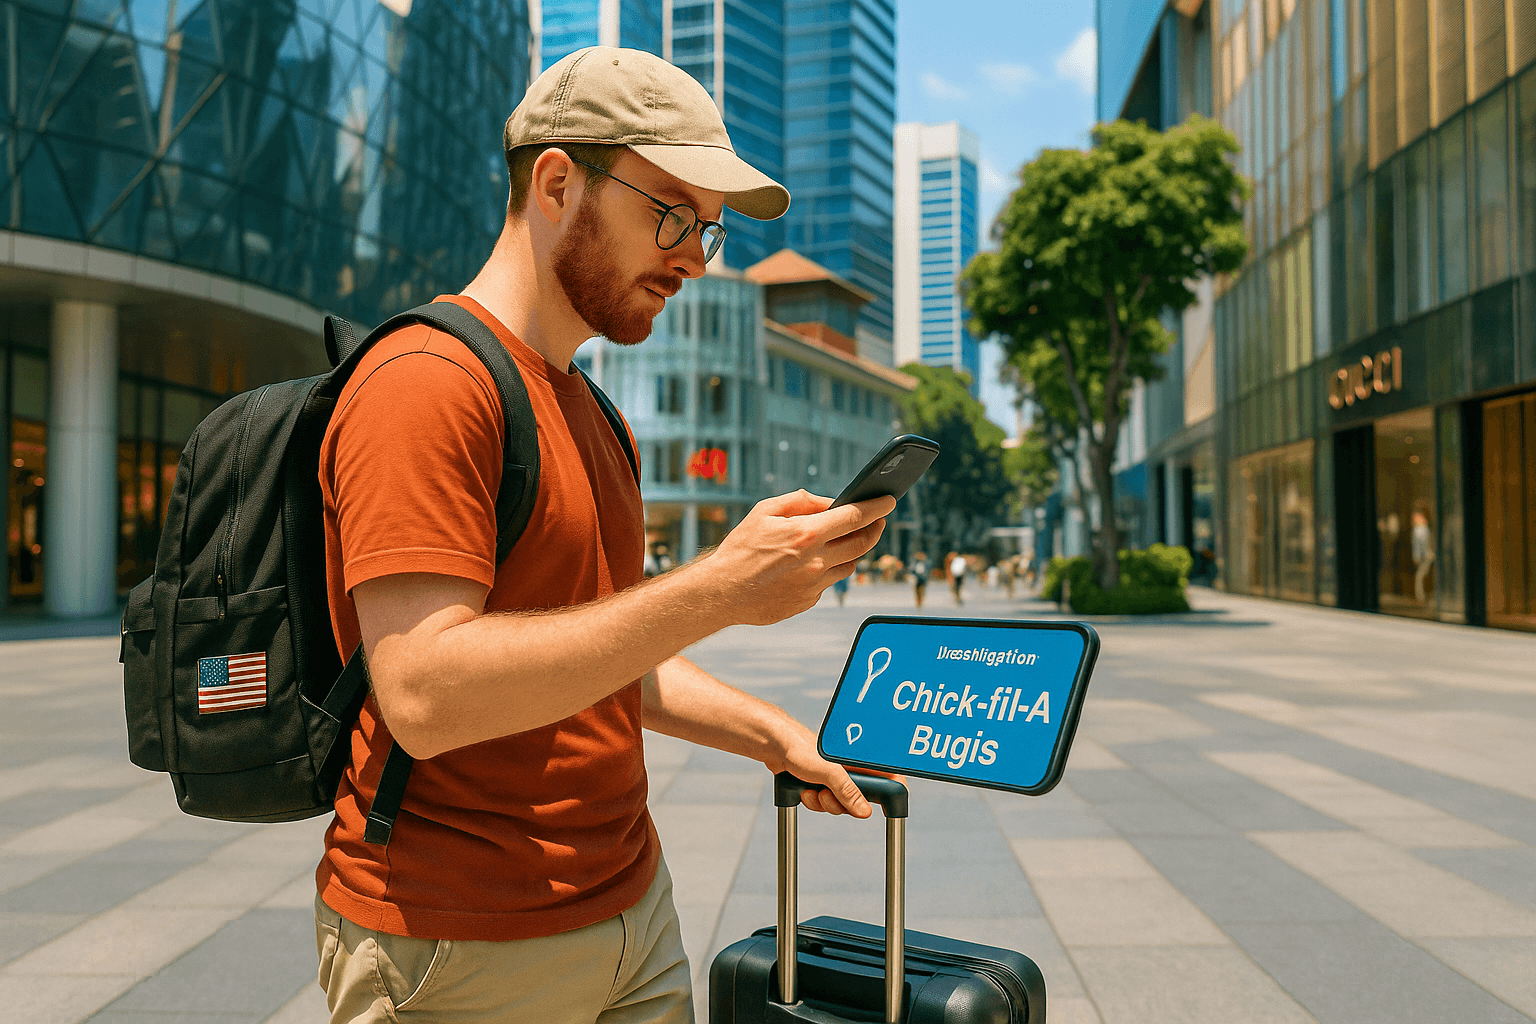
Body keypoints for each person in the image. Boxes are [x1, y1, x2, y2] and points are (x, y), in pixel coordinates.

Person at [312, 48, 893, 1024]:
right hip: (456, 946)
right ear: (556, 183)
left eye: (709, 231)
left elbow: (601, 652)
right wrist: (717, 589)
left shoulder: (594, 413)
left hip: (635, 911)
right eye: (671, 213)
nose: (693, 258)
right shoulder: (425, 382)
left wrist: (770, 735)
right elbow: (422, 691)